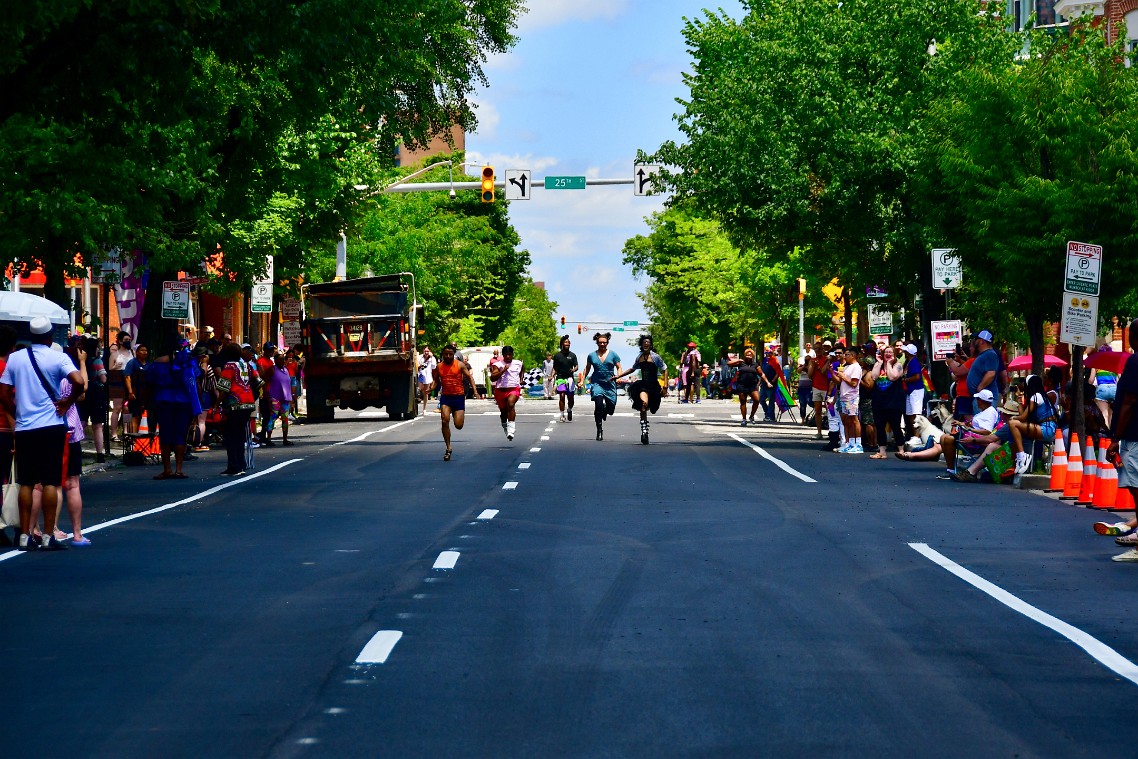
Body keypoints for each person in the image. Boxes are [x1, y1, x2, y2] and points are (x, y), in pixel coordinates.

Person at [0, 316, 85, 551]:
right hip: (51, 425)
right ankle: (48, 535)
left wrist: (16, 412)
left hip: (25, 427)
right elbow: (78, 381)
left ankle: (25, 535)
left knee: (26, 482)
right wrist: (66, 403)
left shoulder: (16, 358)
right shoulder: (57, 357)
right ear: (49, 337)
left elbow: (4, 391)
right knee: (50, 480)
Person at [898, 388, 1000, 475]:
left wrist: (968, 429)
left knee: (945, 439)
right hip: (972, 436)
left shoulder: (989, 412)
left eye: (978, 399)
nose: (976, 401)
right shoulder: (986, 411)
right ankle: (949, 469)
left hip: (975, 440)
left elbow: (987, 431)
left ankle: (950, 469)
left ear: (982, 400)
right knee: (943, 438)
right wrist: (963, 424)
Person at [148, 336, 201, 480]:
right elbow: (196, 382)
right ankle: (179, 469)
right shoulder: (188, 362)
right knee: (180, 435)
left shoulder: (159, 362)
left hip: (164, 401)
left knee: (165, 434)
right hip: (183, 402)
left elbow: (150, 381)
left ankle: (167, 469)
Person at [614, 334, 667, 444]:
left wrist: (665, 386)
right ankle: (644, 432)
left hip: (654, 386)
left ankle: (652, 407)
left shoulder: (656, 357)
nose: (646, 344)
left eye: (648, 343)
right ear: (641, 346)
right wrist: (618, 376)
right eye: (644, 343)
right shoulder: (639, 357)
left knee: (653, 409)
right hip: (643, 385)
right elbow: (632, 369)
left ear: (651, 345)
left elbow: (665, 370)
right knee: (643, 405)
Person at [1006, 374, 1058, 474]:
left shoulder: (1036, 396)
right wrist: (1019, 401)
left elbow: (1022, 417)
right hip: (1047, 428)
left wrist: (1013, 417)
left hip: (1046, 429)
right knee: (1014, 426)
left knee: (1012, 424)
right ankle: (1019, 459)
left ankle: (1022, 455)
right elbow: (1023, 418)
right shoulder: (1040, 396)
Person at [216, 343, 255, 476]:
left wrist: (217, 404)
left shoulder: (229, 366)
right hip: (248, 403)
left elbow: (224, 388)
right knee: (240, 436)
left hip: (234, 404)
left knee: (231, 436)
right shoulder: (246, 365)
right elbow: (259, 381)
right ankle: (241, 464)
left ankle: (234, 467)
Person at [432, 343, 476, 461]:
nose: (448, 356)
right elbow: (436, 380)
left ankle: (457, 417)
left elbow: (469, 377)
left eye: (450, 354)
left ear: (453, 355)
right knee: (444, 420)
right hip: (446, 397)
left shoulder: (460, 365)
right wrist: (430, 388)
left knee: (458, 425)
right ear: (442, 355)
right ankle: (448, 447)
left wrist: (475, 391)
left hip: (458, 397)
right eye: (445, 354)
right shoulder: (439, 366)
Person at [868, 345, 905, 458]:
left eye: (890, 352)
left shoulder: (897, 365)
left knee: (895, 425)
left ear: (894, 355)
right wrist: (879, 363)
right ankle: (882, 451)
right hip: (879, 401)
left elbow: (892, 377)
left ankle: (901, 450)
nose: (888, 354)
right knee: (880, 426)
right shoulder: (878, 364)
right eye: (886, 352)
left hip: (894, 401)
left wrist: (888, 364)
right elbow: (873, 377)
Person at [77, 335, 109, 463]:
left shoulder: (81, 361)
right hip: (96, 393)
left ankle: (75, 447)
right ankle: (100, 454)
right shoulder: (97, 361)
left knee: (82, 422)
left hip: (83, 393)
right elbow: (103, 378)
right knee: (97, 425)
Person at [585, 332, 621, 441]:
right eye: (600, 342)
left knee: (610, 410)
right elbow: (587, 368)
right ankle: (599, 431)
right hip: (597, 383)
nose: (602, 344)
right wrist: (582, 380)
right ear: (597, 343)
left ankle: (606, 410)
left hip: (610, 384)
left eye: (604, 343)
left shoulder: (613, 354)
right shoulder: (591, 355)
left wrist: (618, 377)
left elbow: (619, 367)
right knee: (598, 405)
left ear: (607, 343)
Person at [488, 345, 523, 441]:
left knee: (510, 404)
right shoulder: (498, 365)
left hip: (514, 388)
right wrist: (503, 370)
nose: (508, 356)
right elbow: (492, 378)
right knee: (504, 412)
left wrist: (521, 379)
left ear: (512, 355)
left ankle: (511, 430)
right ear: (502, 355)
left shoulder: (518, 363)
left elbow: (522, 370)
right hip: (501, 390)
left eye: (510, 354)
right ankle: (505, 426)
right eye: (506, 355)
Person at [833, 346, 864, 453]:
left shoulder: (856, 367)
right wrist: (832, 372)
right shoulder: (847, 367)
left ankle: (858, 444)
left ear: (853, 355)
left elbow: (854, 383)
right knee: (848, 421)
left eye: (847, 354)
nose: (844, 356)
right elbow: (839, 382)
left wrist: (843, 376)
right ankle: (851, 443)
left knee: (854, 420)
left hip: (852, 397)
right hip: (844, 397)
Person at [107, 330, 133, 440]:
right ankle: (114, 433)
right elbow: (109, 370)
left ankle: (126, 431)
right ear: (120, 342)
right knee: (117, 408)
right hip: (118, 382)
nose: (128, 342)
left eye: (129, 340)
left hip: (129, 382)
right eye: (126, 340)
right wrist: (115, 366)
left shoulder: (132, 352)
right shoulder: (114, 354)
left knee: (127, 409)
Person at [264, 353, 294, 446]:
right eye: (279, 359)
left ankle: (285, 439)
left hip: (285, 398)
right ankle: (268, 438)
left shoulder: (286, 370)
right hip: (274, 397)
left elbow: (288, 384)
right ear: (275, 360)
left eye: (283, 359)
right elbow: (265, 382)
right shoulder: (272, 369)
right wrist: (267, 396)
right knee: (273, 417)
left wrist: (291, 398)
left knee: (285, 419)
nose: (281, 361)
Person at [967, 330, 1001, 408]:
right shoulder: (985, 354)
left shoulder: (990, 354)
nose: (974, 341)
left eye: (976, 339)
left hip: (985, 400)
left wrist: (980, 388)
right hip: (981, 398)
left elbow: (991, 374)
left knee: (983, 419)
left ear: (982, 341)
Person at [124, 343, 151, 434]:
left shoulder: (149, 364)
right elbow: (127, 377)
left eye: (146, 350)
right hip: (134, 393)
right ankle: (132, 436)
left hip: (146, 394)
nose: (144, 352)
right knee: (133, 415)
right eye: (142, 350)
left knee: (143, 415)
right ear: (137, 352)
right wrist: (130, 392)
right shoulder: (132, 363)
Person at [731, 349, 762, 425]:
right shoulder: (741, 363)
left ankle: (751, 416)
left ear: (753, 356)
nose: (749, 356)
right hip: (742, 385)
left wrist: (766, 382)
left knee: (757, 400)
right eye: (747, 355)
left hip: (752, 386)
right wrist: (738, 360)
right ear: (745, 355)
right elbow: (729, 363)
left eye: (750, 355)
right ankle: (744, 419)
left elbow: (761, 374)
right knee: (743, 401)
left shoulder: (755, 364)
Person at [552, 335, 579, 422]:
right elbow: (555, 368)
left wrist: (573, 369)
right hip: (560, 378)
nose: (567, 344)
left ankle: (570, 409)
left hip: (570, 378)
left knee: (570, 397)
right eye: (565, 342)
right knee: (562, 395)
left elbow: (577, 366)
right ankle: (562, 415)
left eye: (568, 342)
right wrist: (551, 376)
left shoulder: (572, 355)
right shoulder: (557, 356)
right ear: (562, 344)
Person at [901, 343, 924, 442]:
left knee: (916, 413)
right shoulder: (909, 362)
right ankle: (915, 435)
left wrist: (905, 380)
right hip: (910, 391)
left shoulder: (914, 362)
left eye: (905, 351)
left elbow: (917, 376)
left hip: (916, 390)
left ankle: (918, 436)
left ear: (908, 353)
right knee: (910, 413)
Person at [809, 341, 831, 440]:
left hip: (826, 387)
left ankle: (832, 431)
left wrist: (819, 366)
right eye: (816, 349)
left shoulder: (827, 359)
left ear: (822, 350)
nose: (817, 351)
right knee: (817, 410)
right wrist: (813, 366)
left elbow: (824, 372)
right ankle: (819, 432)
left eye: (819, 348)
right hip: (816, 387)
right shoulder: (812, 360)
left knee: (830, 410)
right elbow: (809, 375)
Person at [759, 350, 779, 423]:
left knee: (771, 401)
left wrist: (773, 381)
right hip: (763, 384)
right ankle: (767, 413)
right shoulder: (764, 361)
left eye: (770, 353)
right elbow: (762, 373)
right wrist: (759, 382)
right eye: (767, 353)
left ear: (772, 354)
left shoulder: (775, 361)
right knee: (761, 399)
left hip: (771, 384)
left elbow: (778, 373)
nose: (768, 354)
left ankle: (771, 417)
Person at [797, 344, 814, 422]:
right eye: (806, 360)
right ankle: (803, 419)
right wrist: (804, 366)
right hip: (801, 387)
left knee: (809, 401)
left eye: (808, 360)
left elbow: (811, 374)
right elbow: (798, 371)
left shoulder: (812, 367)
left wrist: (808, 367)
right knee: (802, 403)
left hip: (809, 387)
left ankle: (816, 412)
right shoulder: (802, 365)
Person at [417, 346, 437, 415]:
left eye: (427, 351)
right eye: (425, 351)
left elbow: (434, 366)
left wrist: (431, 358)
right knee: (419, 389)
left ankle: (424, 409)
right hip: (420, 375)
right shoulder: (419, 357)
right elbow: (416, 365)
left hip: (427, 376)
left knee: (426, 392)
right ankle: (418, 399)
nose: (426, 352)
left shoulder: (432, 358)